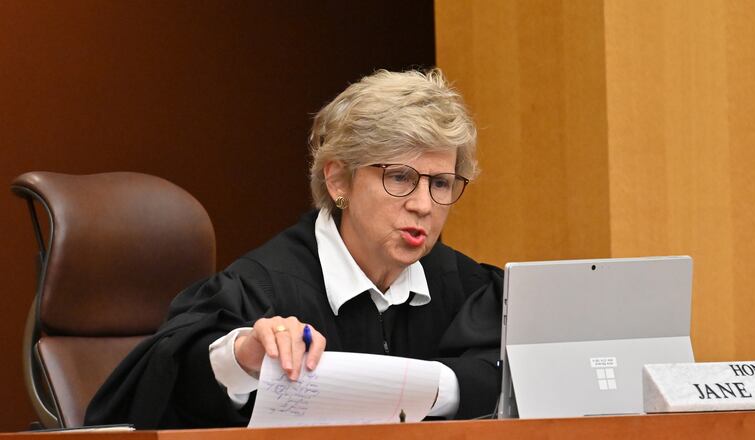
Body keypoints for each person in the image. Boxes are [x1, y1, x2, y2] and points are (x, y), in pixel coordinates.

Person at [85, 69, 503, 429]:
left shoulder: (469, 289)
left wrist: (420, 387)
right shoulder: (261, 287)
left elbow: (509, 379)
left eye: (441, 183)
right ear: (339, 180)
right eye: (399, 177)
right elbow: (167, 384)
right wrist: (245, 356)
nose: (424, 204)